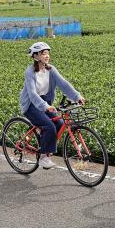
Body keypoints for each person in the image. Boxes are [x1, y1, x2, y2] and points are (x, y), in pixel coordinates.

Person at [20, 41, 84, 169]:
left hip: (45, 103)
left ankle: (47, 151)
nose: (47, 56)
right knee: (49, 126)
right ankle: (44, 157)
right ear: (36, 56)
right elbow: (32, 94)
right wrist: (45, 106)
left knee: (60, 124)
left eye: (47, 53)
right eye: (43, 54)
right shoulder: (30, 72)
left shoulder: (51, 69)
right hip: (32, 105)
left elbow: (64, 84)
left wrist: (77, 96)